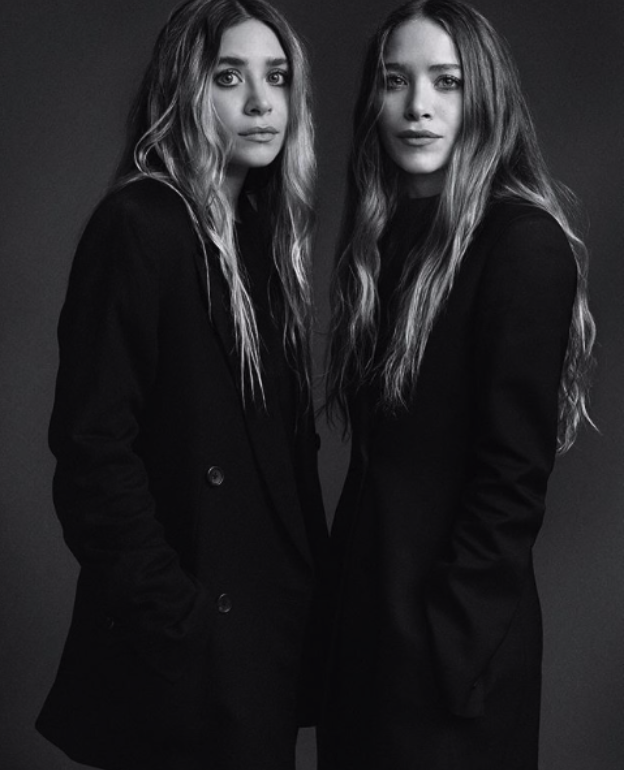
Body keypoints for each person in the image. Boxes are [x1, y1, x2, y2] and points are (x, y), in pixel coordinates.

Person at [36, 2, 328, 768]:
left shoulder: (264, 242)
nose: (261, 102)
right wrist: (178, 621)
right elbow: (93, 452)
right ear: (185, 88)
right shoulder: (139, 224)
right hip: (186, 663)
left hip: (263, 651)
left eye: (277, 77)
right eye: (230, 77)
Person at [320, 1, 595, 768]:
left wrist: (441, 647)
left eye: (447, 81)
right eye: (396, 80)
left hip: (448, 667)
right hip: (367, 647)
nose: (418, 106)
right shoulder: (382, 246)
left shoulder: (521, 244)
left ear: (487, 98)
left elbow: (511, 482)